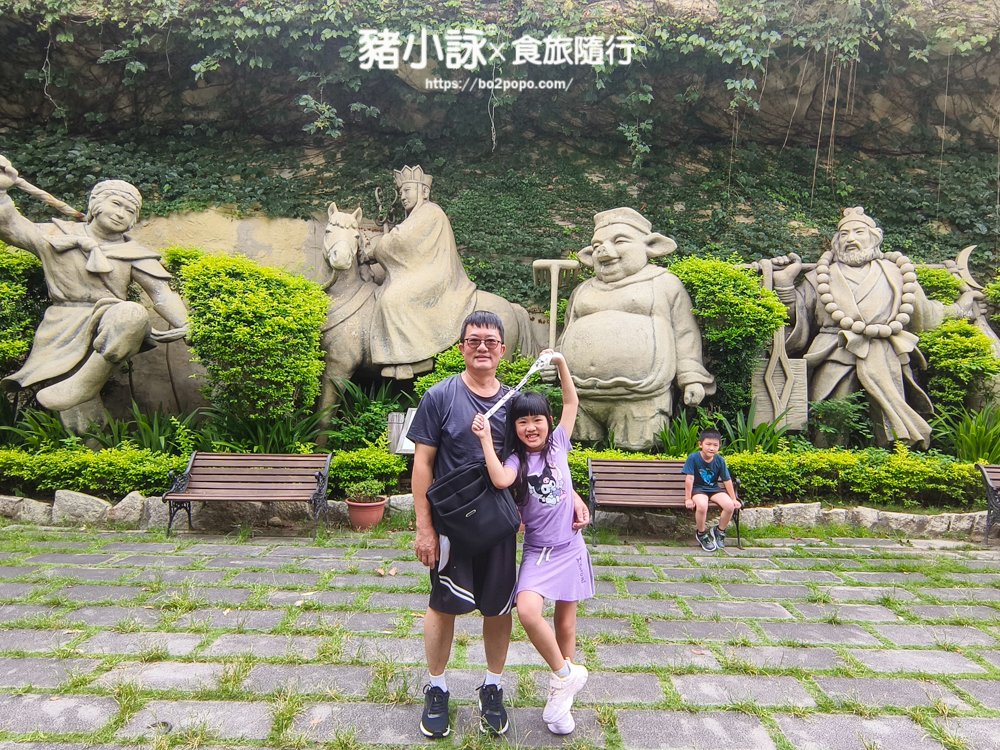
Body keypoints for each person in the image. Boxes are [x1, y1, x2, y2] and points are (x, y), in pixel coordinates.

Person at [0, 154, 188, 434]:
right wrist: (2, 192)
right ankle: (86, 446)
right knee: (75, 414)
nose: (121, 213)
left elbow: (162, 294)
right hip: (62, 325)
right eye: (116, 204)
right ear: (95, 205)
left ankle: (85, 384)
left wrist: (186, 324)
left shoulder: (134, 253)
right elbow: (9, 227)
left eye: (130, 211)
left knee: (133, 312)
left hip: (110, 318)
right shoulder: (56, 235)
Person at [769, 206, 979, 448]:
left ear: (875, 237)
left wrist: (961, 308)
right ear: (836, 242)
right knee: (828, 419)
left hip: (885, 353)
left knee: (891, 425)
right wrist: (784, 285)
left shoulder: (897, 274)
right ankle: (827, 465)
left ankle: (894, 464)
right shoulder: (820, 276)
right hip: (835, 351)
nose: (851, 239)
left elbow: (927, 315)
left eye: (859, 232)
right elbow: (798, 314)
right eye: (844, 234)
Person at [472, 348, 594, 736]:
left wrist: (561, 363)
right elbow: (500, 480)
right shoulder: (516, 461)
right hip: (539, 553)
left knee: (566, 626)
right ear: (516, 427)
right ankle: (567, 674)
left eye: (537, 419)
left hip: (570, 548)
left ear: (548, 422)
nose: (531, 427)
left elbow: (572, 401)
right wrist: (486, 440)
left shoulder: (558, 444)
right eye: (523, 421)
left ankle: (560, 703)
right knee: (527, 611)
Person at [556, 207, 716, 451]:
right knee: (580, 451)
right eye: (596, 245)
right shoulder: (582, 290)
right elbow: (567, 332)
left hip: (643, 396)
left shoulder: (664, 283)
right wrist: (554, 363)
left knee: (635, 452)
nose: (603, 249)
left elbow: (685, 334)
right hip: (581, 395)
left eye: (619, 241)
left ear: (651, 246)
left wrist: (690, 377)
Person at [369, 165, 477, 379]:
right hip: (421, 270)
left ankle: (420, 358)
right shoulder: (415, 217)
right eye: (401, 192)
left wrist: (374, 251)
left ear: (424, 191)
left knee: (393, 298)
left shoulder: (430, 212)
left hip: (436, 274)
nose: (403, 197)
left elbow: (399, 240)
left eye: (407, 191)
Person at [682, 428, 741, 552]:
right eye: (708, 444)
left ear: (719, 446)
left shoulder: (720, 460)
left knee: (729, 506)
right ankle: (701, 534)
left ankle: (719, 531)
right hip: (698, 490)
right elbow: (689, 479)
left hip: (714, 489)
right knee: (702, 506)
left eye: (715, 445)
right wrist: (688, 498)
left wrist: (733, 499)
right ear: (700, 444)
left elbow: (727, 480)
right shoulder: (693, 458)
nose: (711, 448)